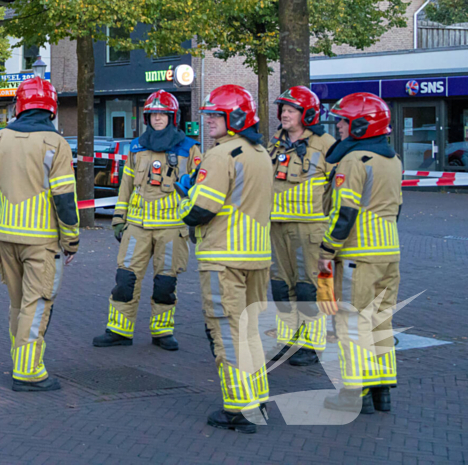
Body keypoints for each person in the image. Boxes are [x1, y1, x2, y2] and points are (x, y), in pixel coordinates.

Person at [177, 84, 273, 434]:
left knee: (226, 332)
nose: (210, 121)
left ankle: (238, 408)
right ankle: (258, 398)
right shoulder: (261, 153)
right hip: (258, 256)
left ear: (235, 118)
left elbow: (201, 210)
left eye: (216, 115)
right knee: (251, 331)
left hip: (223, 256)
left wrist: (185, 197)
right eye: (209, 115)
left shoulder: (220, 155)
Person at [0, 76, 80, 392]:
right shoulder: (56, 144)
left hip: (6, 237)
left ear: (19, 105)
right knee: (37, 304)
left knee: (17, 303)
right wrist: (71, 239)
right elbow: (64, 198)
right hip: (42, 241)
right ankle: (29, 372)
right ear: (51, 108)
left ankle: (20, 360)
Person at [93, 90, 200, 351]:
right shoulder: (137, 147)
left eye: (163, 114)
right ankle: (119, 330)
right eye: (153, 114)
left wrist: (196, 221)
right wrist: (119, 219)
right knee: (125, 279)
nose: (158, 119)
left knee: (165, 283)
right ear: (146, 117)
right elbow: (126, 187)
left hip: (172, 228)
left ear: (172, 116)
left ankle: (162, 332)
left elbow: (200, 187)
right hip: (137, 226)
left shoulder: (189, 149)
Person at [318, 92, 402, 415]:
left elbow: (345, 213)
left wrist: (327, 249)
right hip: (390, 253)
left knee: (352, 324)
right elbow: (397, 209)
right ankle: (382, 391)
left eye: (343, 121)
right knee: (381, 320)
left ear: (361, 125)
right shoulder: (393, 160)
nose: (338, 126)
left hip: (358, 254)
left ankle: (353, 392)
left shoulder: (354, 161)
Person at [268, 86, 336, 366]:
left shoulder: (327, 144)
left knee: (309, 286)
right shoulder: (274, 144)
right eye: (283, 109)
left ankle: (310, 344)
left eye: (291, 109)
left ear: (306, 113)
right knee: (281, 285)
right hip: (277, 225)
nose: (285, 113)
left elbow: (338, 190)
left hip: (311, 227)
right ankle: (288, 341)